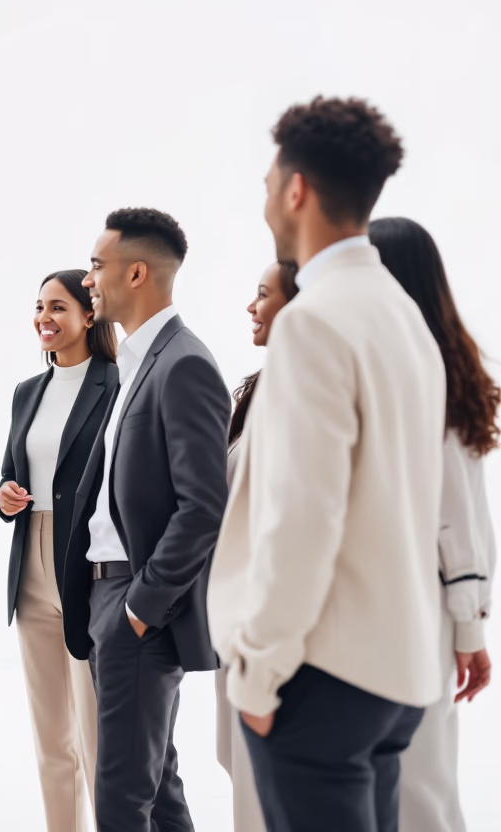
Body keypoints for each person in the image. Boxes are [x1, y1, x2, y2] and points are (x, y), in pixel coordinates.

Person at [209, 97, 445, 832]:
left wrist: (257, 673)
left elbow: (300, 519)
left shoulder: (313, 322)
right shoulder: (402, 314)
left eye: (268, 177)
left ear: (296, 189)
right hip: (395, 671)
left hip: (319, 674)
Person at [66, 207, 229, 832]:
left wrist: (141, 605)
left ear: (137, 273)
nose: (89, 279)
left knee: (120, 797)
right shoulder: (137, 360)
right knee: (156, 788)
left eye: (97, 266)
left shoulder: (183, 362)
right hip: (109, 594)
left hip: (136, 602)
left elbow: (202, 505)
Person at [369, 216, 496, 832]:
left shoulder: (428, 373)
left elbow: (460, 519)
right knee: (408, 778)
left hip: (422, 604)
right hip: (404, 604)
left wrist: (470, 630)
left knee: (420, 784)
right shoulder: (416, 364)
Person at [0, 270, 117, 832]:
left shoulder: (116, 383)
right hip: (32, 569)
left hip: (88, 566)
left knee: (96, 736)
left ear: (89, 316)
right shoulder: (27, 391)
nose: (44, 317)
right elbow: (8, 476)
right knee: (50, 737)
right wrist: (5, 495)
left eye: (58, 307)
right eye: (39, 306)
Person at [213, 261, 298, 832]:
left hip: (272, 621)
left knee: (273, 780)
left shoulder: (306, 399)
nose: (251, 306)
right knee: (239, 765)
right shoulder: (253, 391)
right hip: (234, 615)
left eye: (263, 295)